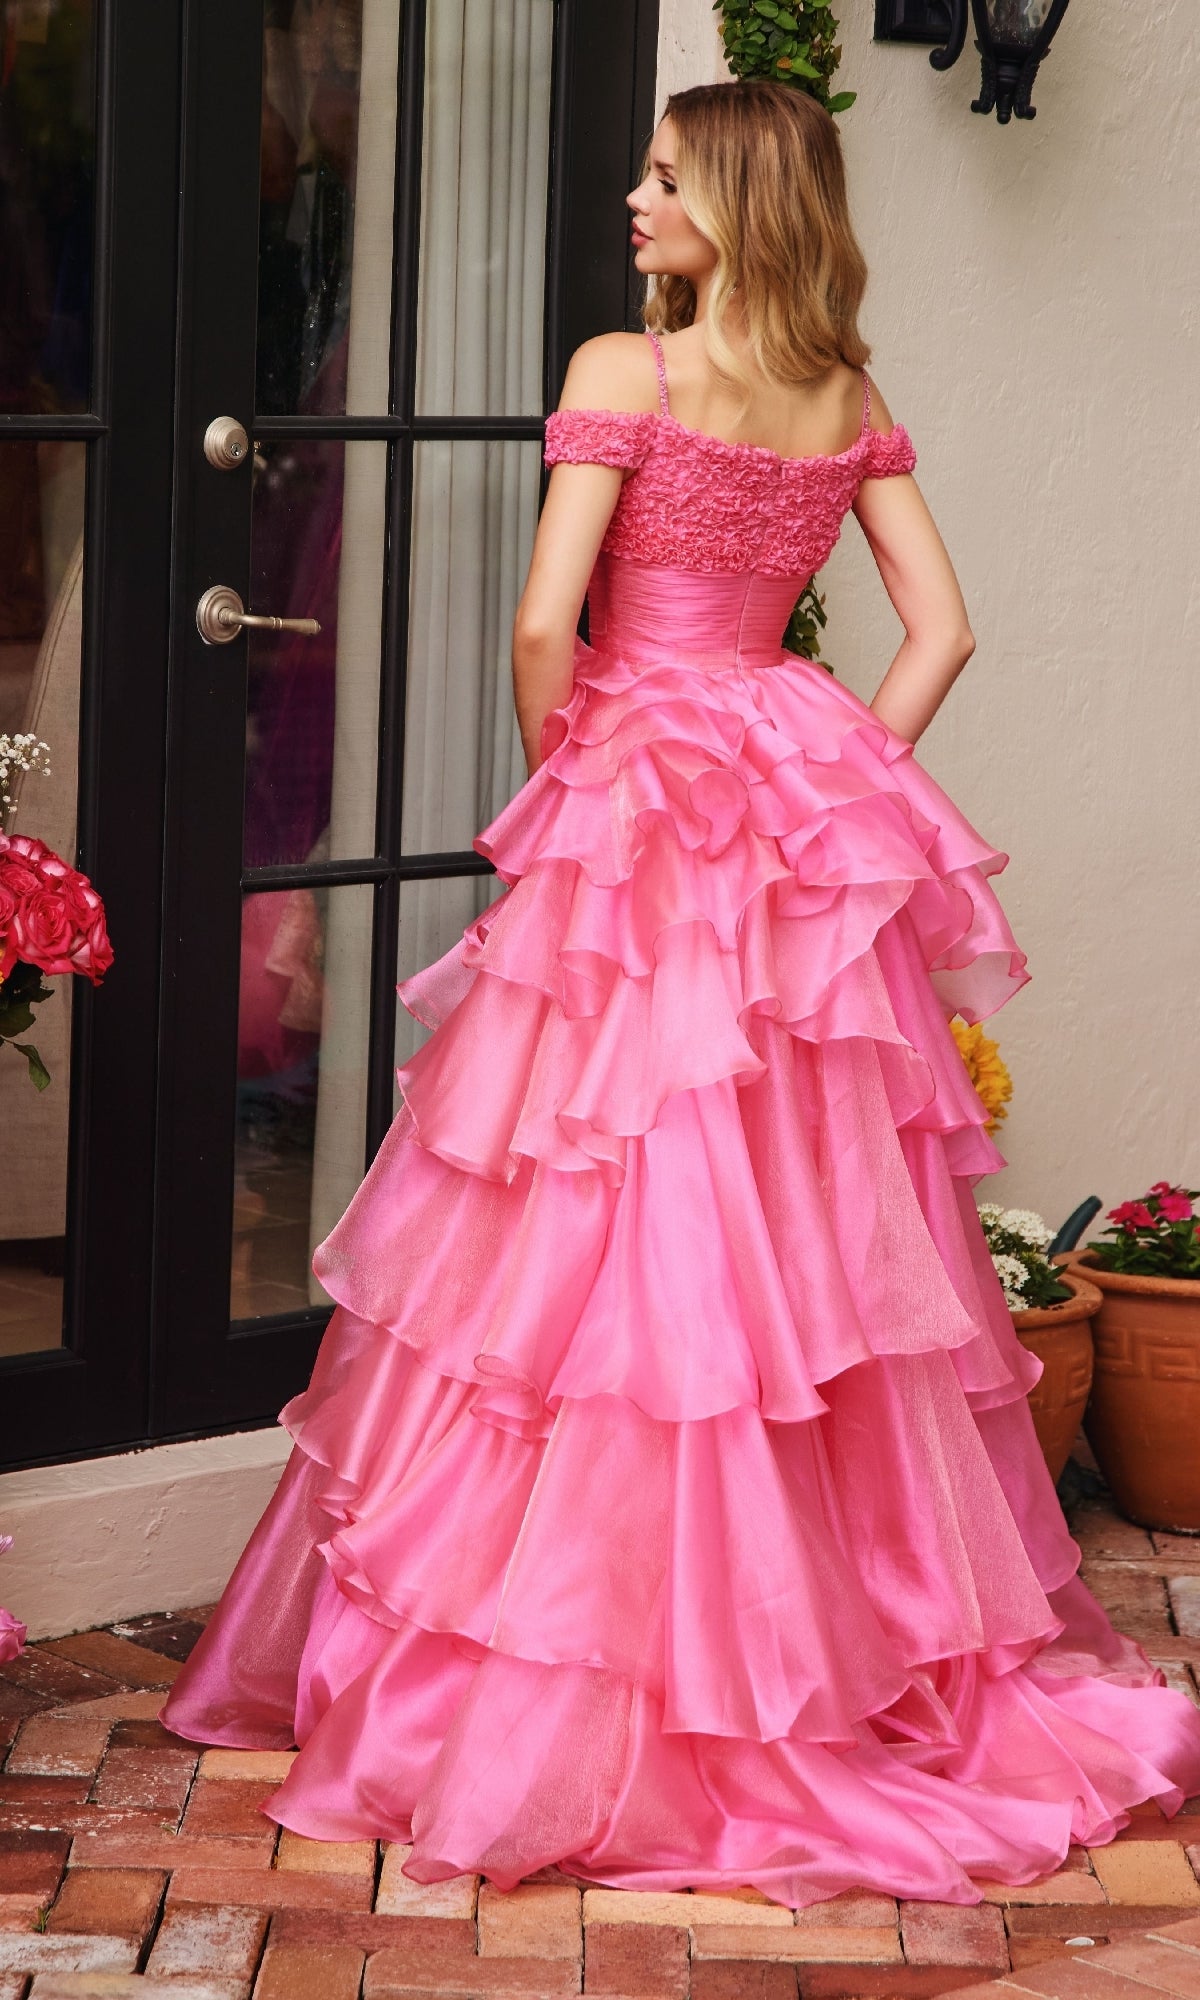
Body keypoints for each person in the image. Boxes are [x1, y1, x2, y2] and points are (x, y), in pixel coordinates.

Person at [161, 79, 1200, 1908]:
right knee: (789, 1240)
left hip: (642, 793)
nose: (634, 202)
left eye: (661, 178)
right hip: (782, 800)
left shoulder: (627, 372)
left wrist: (579, 780)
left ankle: (585, 1677)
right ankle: (792, 1662)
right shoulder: (847, 396)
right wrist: (831, 775)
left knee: (580, 1220)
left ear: (736, 195)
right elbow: (945, 628)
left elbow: (550, 619)